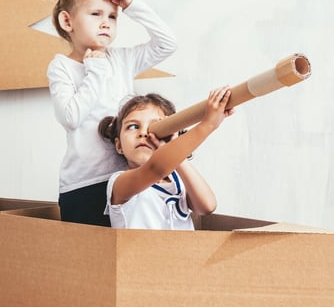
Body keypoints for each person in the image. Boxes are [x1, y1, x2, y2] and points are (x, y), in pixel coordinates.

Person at [41, 0, 177, 226]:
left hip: (126, 178)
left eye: (113, 17)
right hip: (84, 184)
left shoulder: (123, 59)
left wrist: (133, 5)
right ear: (67, 21)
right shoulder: (61, 66)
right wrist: (95, 71)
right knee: (89, 257)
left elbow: (168, 44)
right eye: (96, 14)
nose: (106, 22)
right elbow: (71, 118)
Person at [98, 89, 233, 230]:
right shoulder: (119, 183)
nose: (143, 133)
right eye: (133, 127)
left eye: (154, 127)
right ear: (119, 146)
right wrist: (208, 125)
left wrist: (173, 150)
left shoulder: (178, 181)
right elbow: (156, 168)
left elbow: (207, 207)